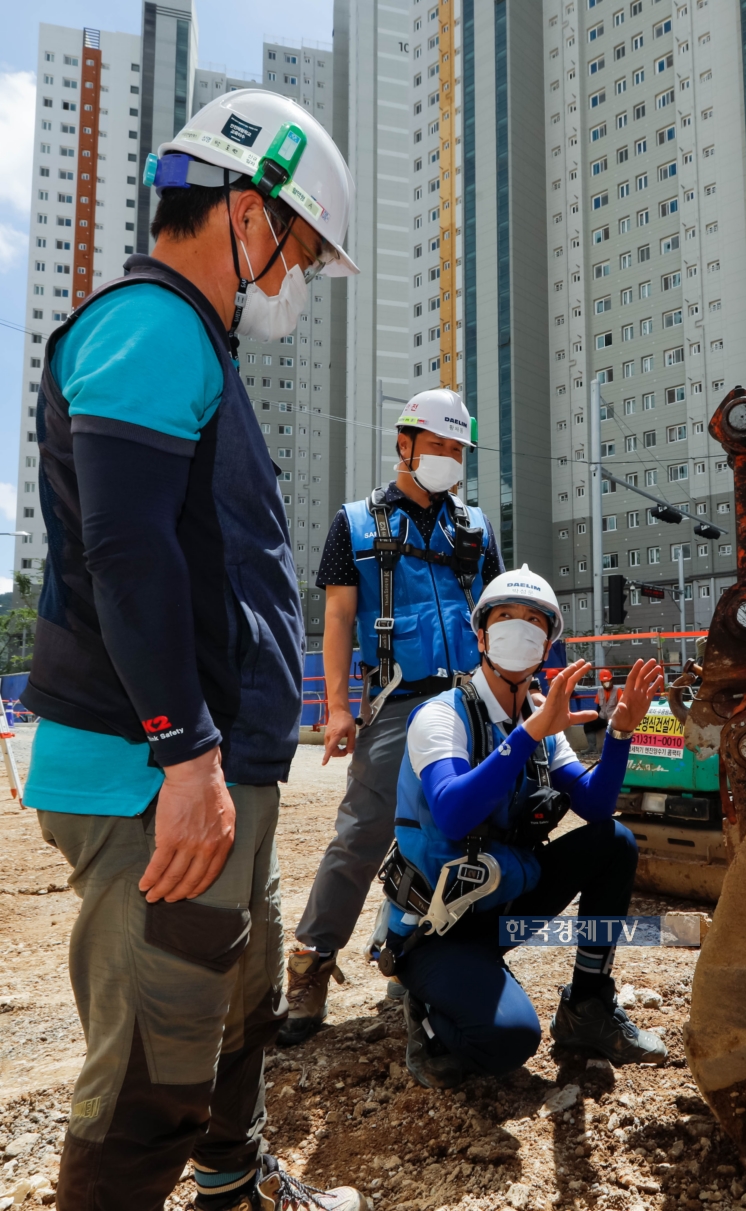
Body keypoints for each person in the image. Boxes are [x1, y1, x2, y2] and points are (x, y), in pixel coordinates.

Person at [23, 92, 364, 1210]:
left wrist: (225, 757)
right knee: (153, 1061)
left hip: (214, 763)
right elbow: (128, 552)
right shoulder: (151, 322)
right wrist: (185, 756)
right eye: (302, 249)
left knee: (236, 994)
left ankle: (231, 1183)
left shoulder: (194, 346)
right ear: (245, 212)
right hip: (153, 769)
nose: (297, 280)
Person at [381, 568, 668, 1088]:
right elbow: (452, 812)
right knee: (508, 1042)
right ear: (481, 635)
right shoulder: (441, 716)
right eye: (506, 618)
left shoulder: (544, 724)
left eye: (534, 621)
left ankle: (588, 1006)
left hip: (501, 904)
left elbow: (597, 806)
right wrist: (530, 730)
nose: (520, 628)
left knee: (614, 843)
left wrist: (622, 732)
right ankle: (425, 1009)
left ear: (547, 644)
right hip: (437, 927)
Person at [279, 388, 502, 1045]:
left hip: (468, 702)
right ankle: (311, 964)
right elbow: (339, 618)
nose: (449, 459)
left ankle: (414, 952)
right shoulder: (355, 524)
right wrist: (340, 706)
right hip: (397, 702)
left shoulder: (477, 528)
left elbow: (492, 614)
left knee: (462, 834)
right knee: (363, 834)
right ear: (404, 444)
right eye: (438, 445)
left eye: (458, 449)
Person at [582, 668, 620, 756]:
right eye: (604, 681)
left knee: (611, 730)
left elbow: (620, 707)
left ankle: (610, 750)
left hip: (613, 719)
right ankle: (592, 748)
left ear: (611, 680)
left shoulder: (617, 691)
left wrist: (615, 718)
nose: (606, 683)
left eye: (608, 681)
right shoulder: (600, 691)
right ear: (601, 682)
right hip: (602, 717)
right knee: (588, 724)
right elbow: (598, 707)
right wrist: (595, 717)